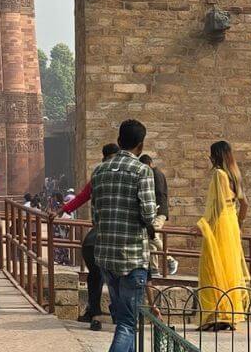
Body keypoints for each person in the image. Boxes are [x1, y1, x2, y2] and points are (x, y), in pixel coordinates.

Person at [92, 121, 156, 352]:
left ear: (119, 142)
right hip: (132, 257)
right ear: (140, 146)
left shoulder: (99, 171)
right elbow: (148, 213)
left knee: (122, 319)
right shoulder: (142, 171)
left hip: (106, 256)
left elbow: (95, 215)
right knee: (128, 324)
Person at [57, 143, 119, 331]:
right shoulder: (126, 174)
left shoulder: (98, 174)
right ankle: (117, 312)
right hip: (116, 234)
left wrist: (63, 209)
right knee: (117, 276)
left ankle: (94, 310)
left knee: (95, 275)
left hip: (94, 238)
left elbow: (83, 196)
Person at [197, 141, 250, 332]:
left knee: (211, 268)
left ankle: (216, 315)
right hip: (231, 224)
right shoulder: (234, 175)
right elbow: (244, 205)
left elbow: (216, 207)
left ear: (215, 156)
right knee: (229, 270)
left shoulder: (219, 175)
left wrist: (202, 225)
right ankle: (229, 315)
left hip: (220, 224)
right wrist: (238, 225)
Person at [139, 154, 179, 277]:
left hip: (159, 211)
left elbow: (160, 193)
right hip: (156, 210)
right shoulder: (152, 174)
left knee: (153, 235)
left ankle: (171, 259)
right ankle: (154, 269)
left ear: (150, 164)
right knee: (151, 239)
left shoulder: (156, 174)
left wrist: (155, 209)